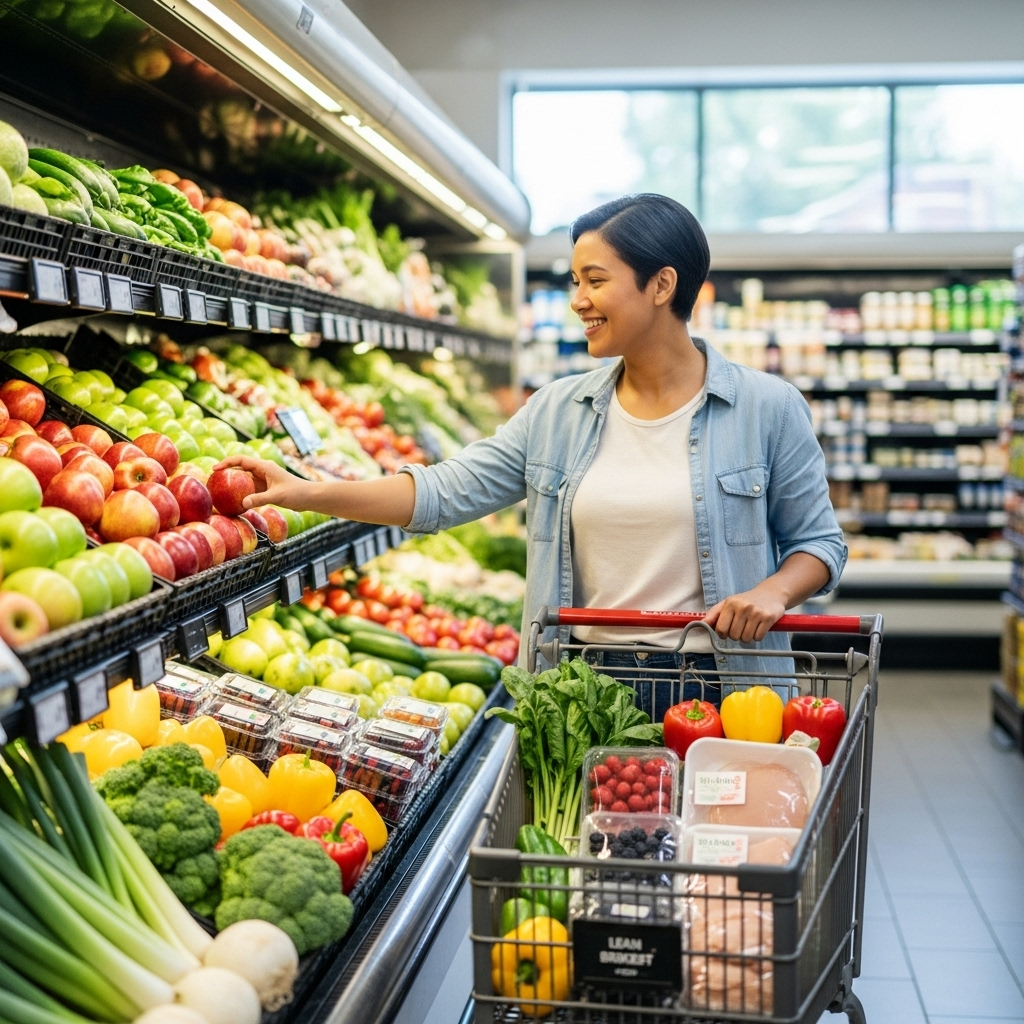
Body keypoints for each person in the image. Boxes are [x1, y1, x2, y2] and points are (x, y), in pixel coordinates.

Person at [215, 194, 846, 718]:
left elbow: (820, 545)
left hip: (725, 689)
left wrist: (774, 592)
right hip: (585, 690)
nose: (578, 300)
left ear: (662, 285)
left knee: (713, 863)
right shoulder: (557, 412)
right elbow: (440, 493)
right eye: (574, 281)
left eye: (595, 281)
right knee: (599, 861)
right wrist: (307, 488)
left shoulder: (767, 406)